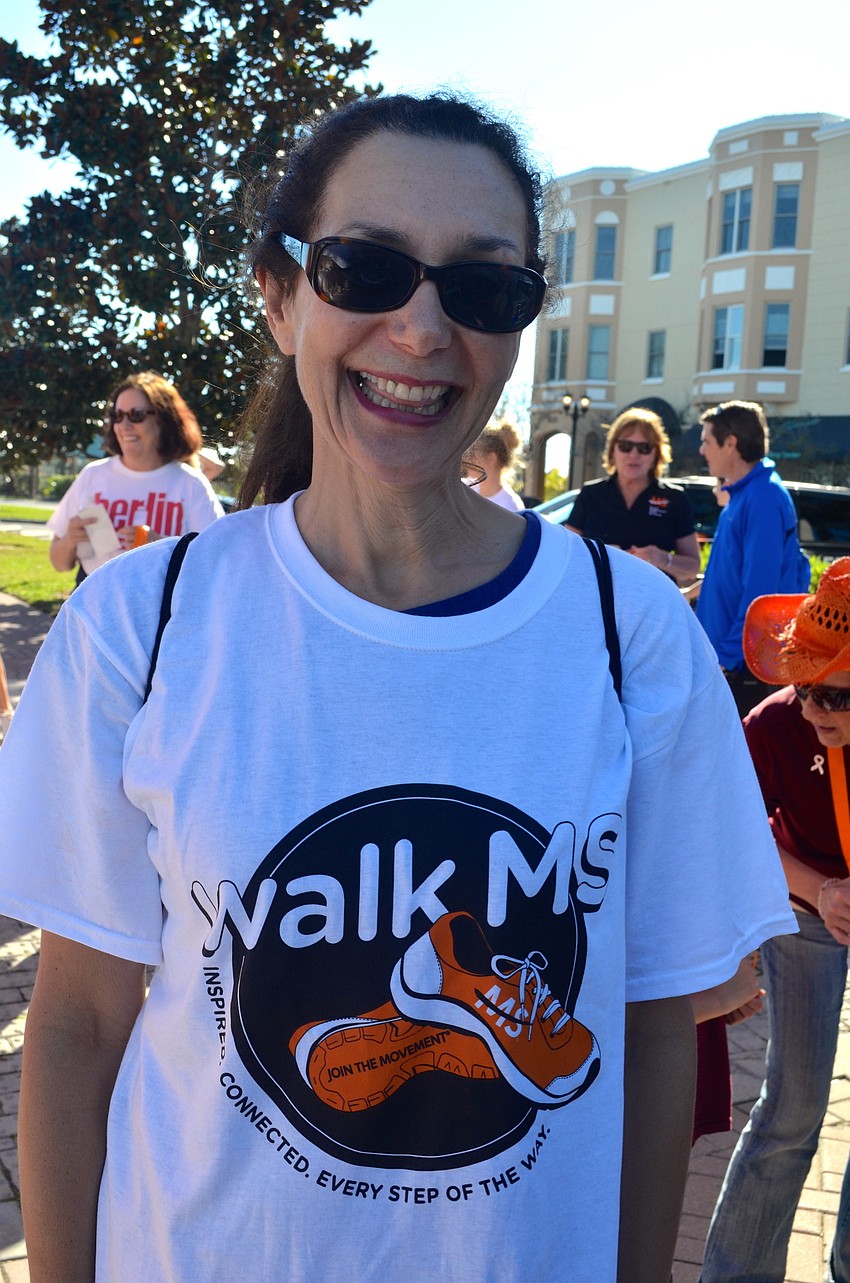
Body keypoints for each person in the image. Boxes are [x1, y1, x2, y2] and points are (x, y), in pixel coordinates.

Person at [0, 92, 796, 1283]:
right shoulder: (139, 626)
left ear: (521, 323)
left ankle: (452, 982)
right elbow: (74, 1027)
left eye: (481, 287)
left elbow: (647, 1030)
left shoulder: (630, 633)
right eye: (363, 268)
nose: (422, 328)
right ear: (282, 297)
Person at [700, 558, 850, 1283]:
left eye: (836, 694)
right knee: (791, 1106)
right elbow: (732, 828)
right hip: (806, 912)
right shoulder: (773, 723)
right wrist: (819, 890)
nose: (814, 707)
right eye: (803, 681)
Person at [47, 371, 224, 582]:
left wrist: (163, 548)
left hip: (160, 602)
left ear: (164, 420)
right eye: (117, 416)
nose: (124, 425)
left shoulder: (191, 484)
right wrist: (70, 540)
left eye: (136, 415)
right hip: (95, 599)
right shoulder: (93, 475)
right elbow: (59, 562)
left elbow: (216, 564)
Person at [696, 400, 810, 717]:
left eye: (707, 441)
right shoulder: (745, 494)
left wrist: (726, 658)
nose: (702, 450)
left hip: (741, 668)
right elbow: (733, 575)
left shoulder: (763, 497)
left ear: (730, 444)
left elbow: (761, 591)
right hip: (730, 662)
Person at [566, 407, 700, 586]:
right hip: (596, 596)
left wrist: (661, 558)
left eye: (644, 448)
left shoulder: (674, 498)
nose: (634, 455)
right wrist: (600, 555)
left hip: (652, 597)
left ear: (656, 454)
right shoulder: (591, 494)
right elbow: (565, 553)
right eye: (625, 446)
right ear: (612, 450)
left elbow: (693, 567)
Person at [463, 422, 524, 510]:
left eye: (473, 455)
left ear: (491, 458)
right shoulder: (464, 489)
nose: (466, 459)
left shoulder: (510, 506)